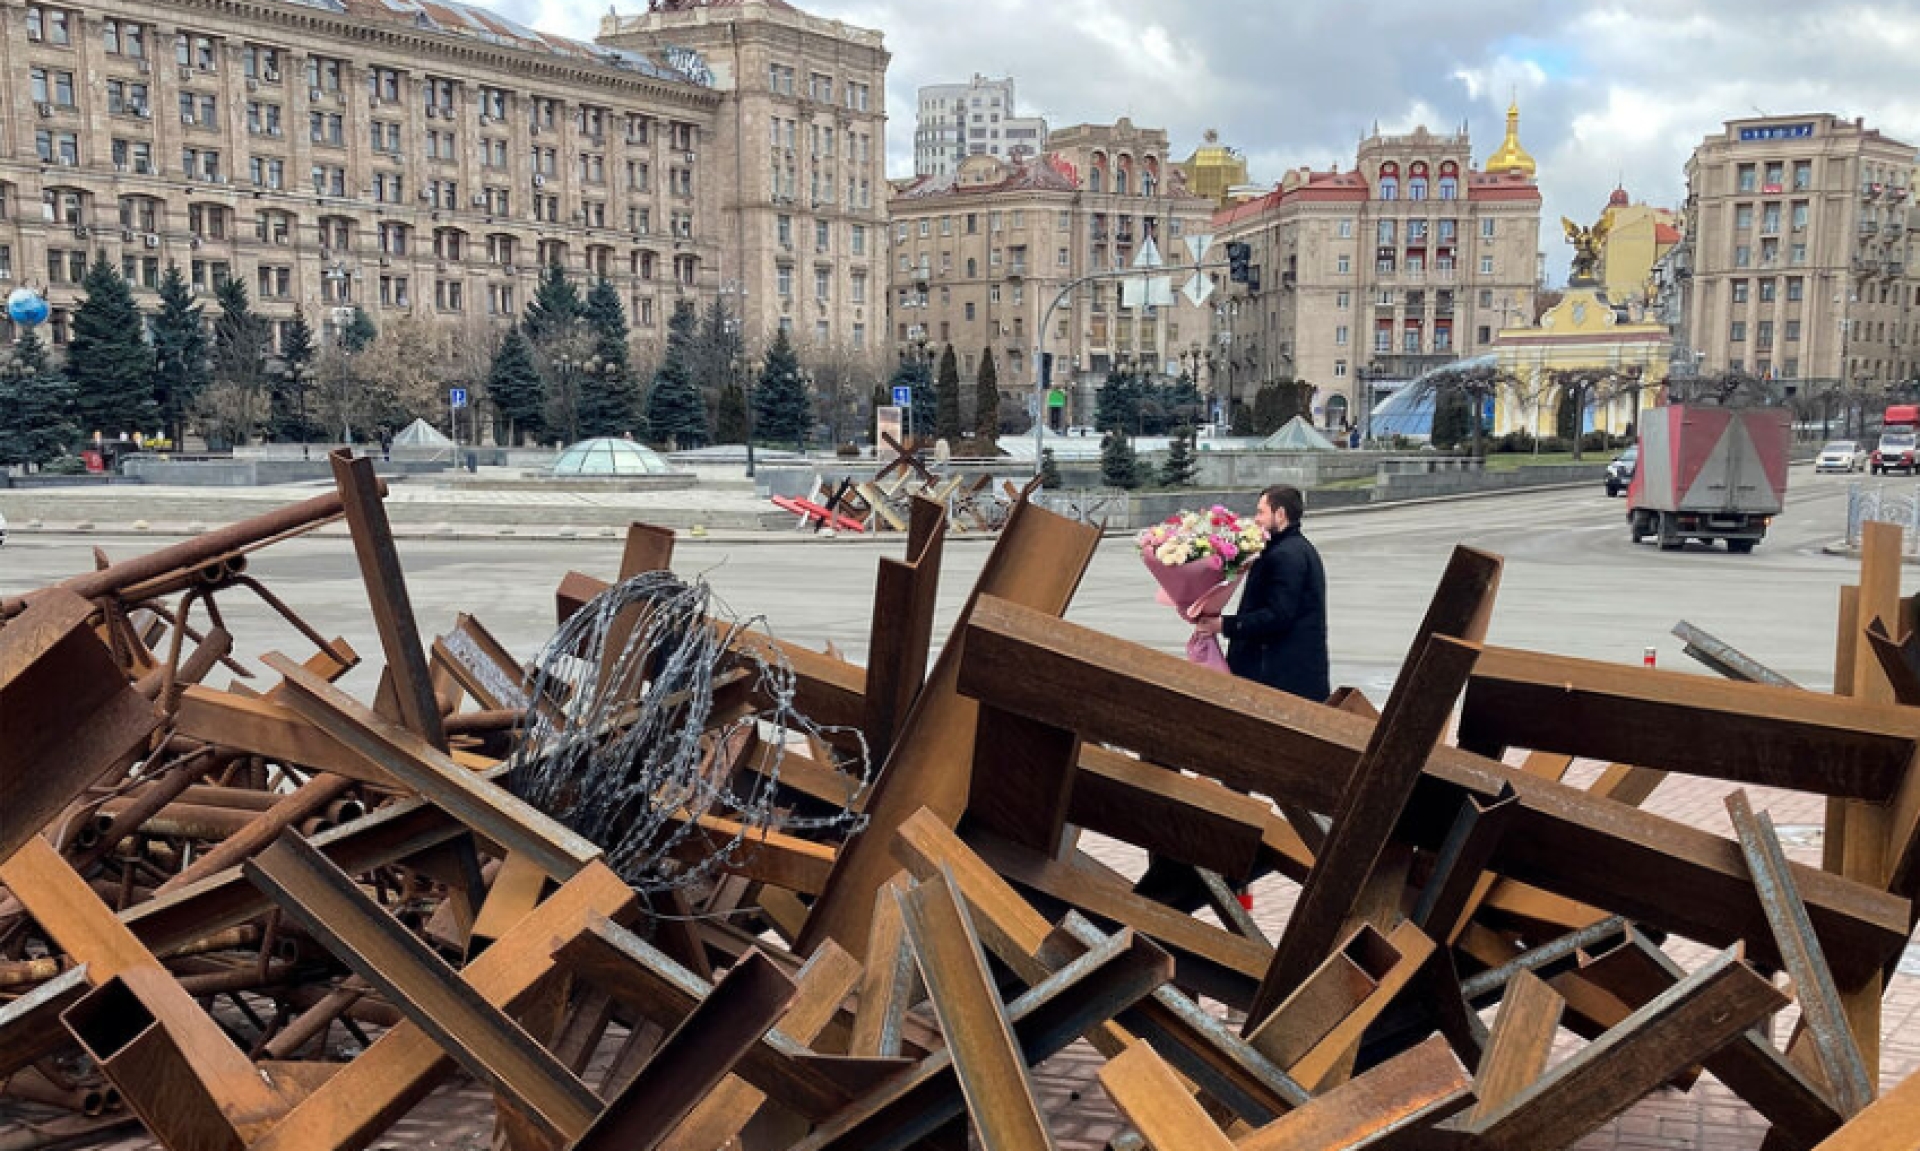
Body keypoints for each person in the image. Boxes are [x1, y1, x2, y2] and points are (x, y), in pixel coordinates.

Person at [1194, 484, 1329, 703]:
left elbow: (1278, 616)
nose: (1256, 519)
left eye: (1261, 512)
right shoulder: (1290, 548)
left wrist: (1224, 625)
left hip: (1280, 680)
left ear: (1281, 514)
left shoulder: (1286, 555)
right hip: (1286, 676)